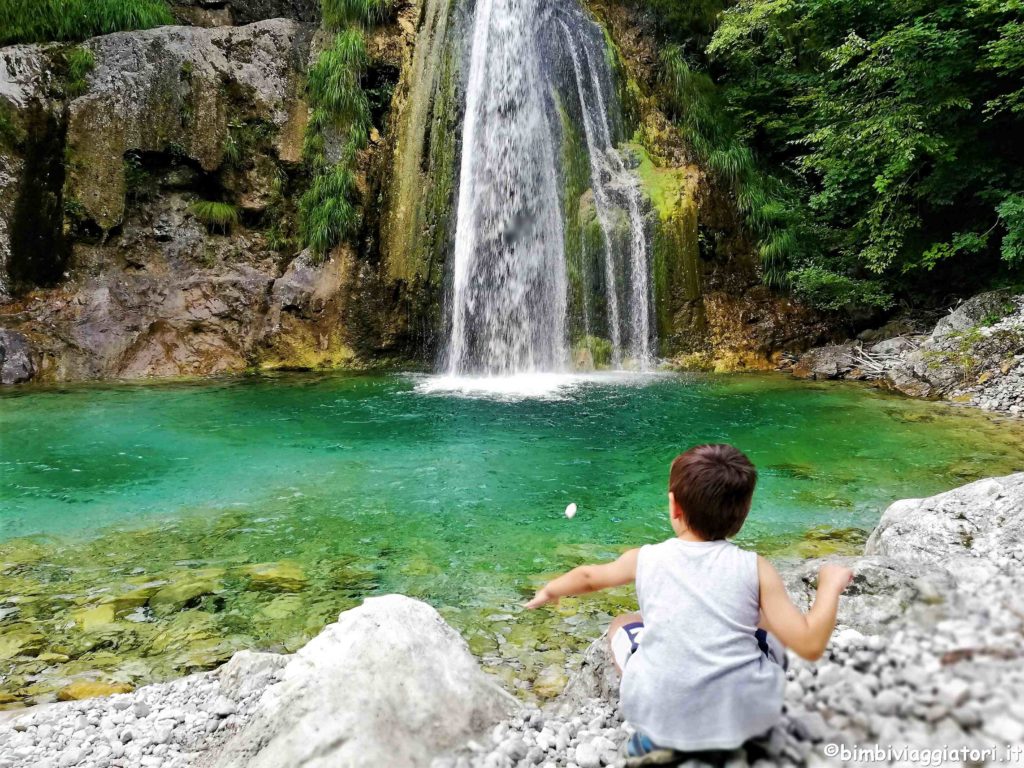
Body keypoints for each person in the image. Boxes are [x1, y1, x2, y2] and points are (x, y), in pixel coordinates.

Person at [525, 444, 853, 758]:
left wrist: (551, 590)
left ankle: (654, 733)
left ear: (674, 507)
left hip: (659, 716)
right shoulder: (755, 568)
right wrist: (829, 585)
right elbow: (809, 644)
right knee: (763, 624)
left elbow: (588, 577)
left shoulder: (646, 558)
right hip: (742, 719)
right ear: (745, 511)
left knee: (621, 624)